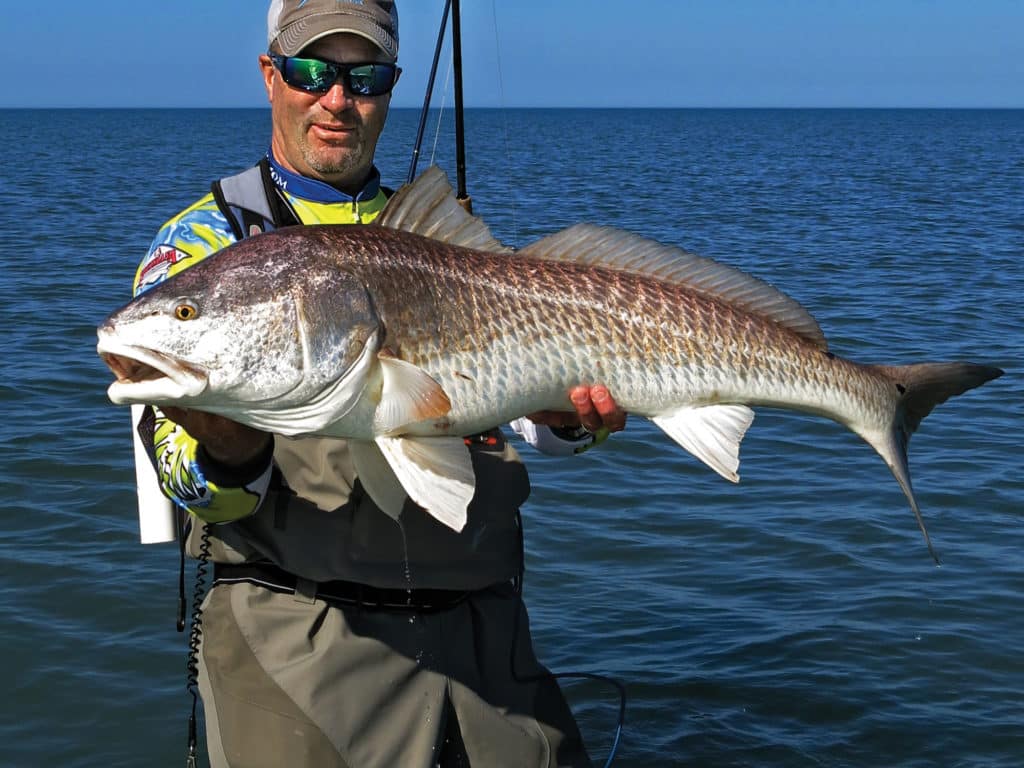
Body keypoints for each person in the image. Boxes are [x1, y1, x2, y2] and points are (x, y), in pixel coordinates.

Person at [134, 2, 626, 766]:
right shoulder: (203, 249)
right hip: (303, 646)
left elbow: (513, 410)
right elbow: (184, 484)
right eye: (311, 71)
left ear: (391, 87)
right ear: (270, 75)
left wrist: (570, 423)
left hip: (488, 641)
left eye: (365, 78)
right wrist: (227, 447)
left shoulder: (431, 235)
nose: (337, 99)